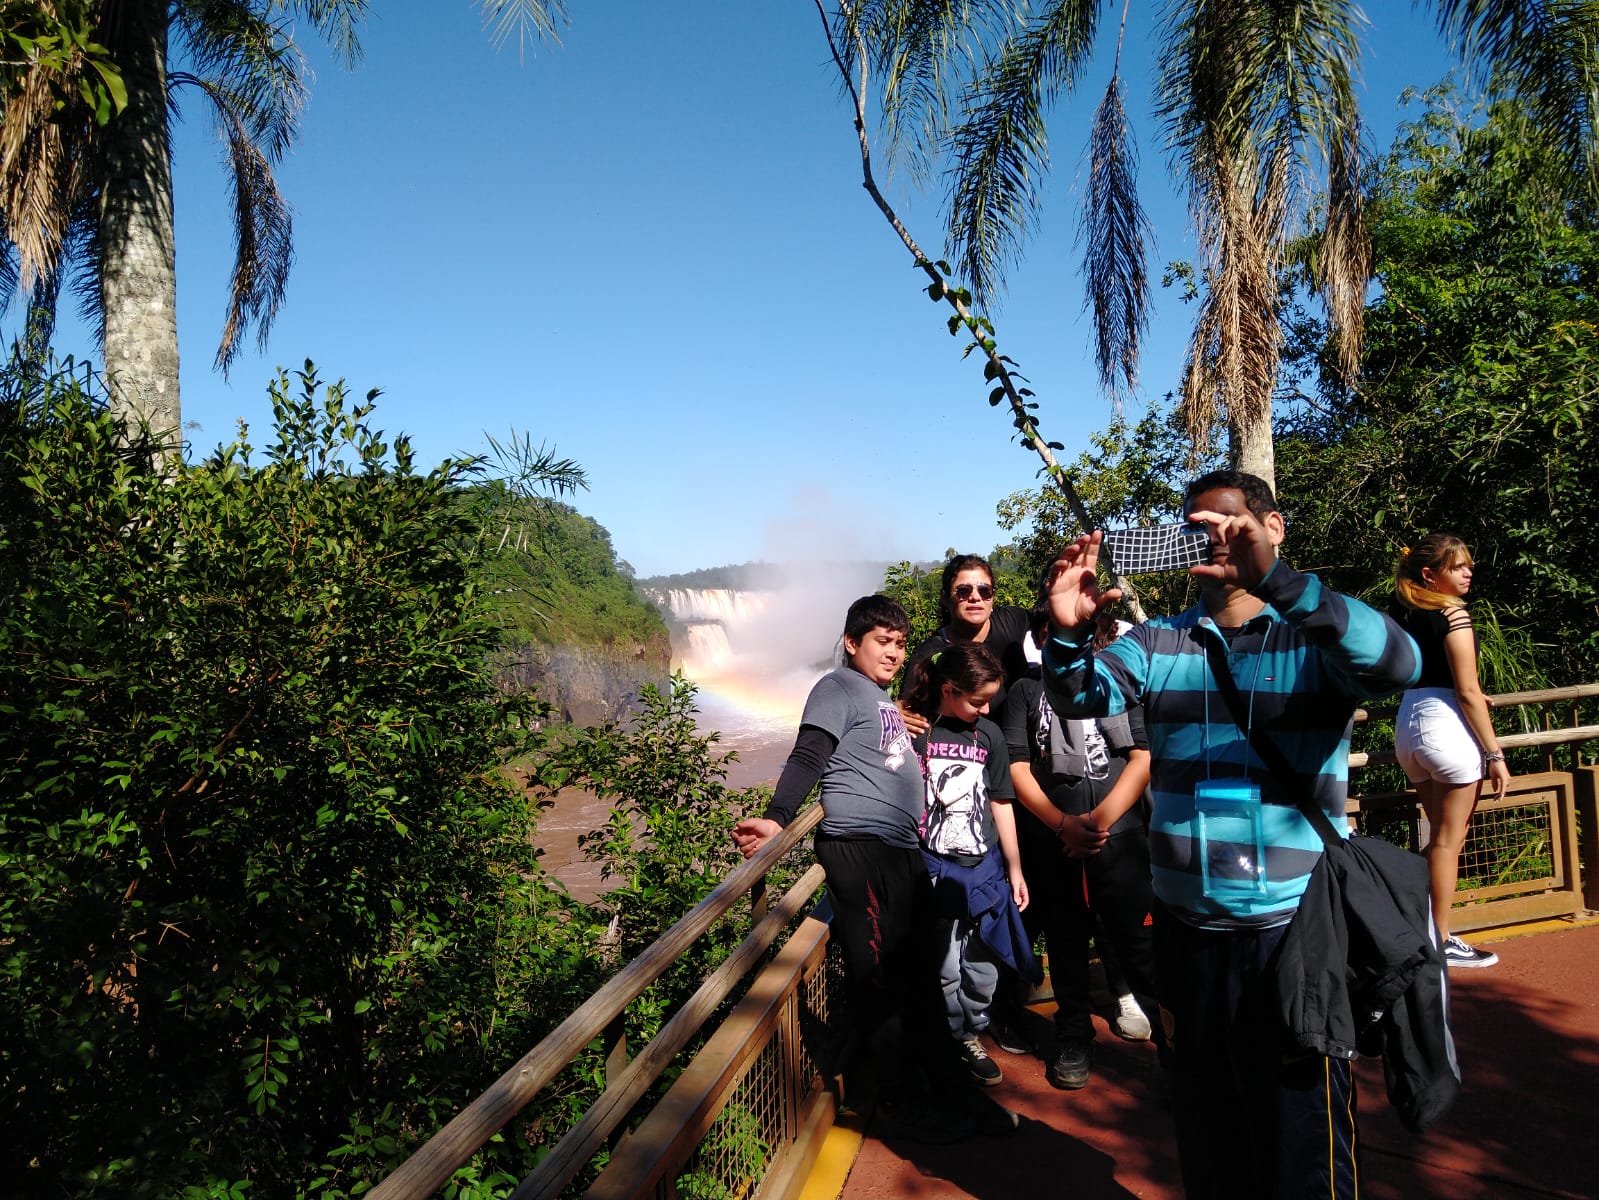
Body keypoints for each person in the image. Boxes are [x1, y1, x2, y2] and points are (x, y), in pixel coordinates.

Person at [1042, 470, 1421, 1200]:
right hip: (1186, 936)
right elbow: (1081, 694)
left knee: (1303, 1141)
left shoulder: (1312, 639)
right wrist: (1066, 631)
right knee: (1207, 1130)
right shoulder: (1159, 641)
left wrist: (1279, 583)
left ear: (1273, 528)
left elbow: (1397, 662)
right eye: (1197, 527)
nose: (1212, 537)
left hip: (1294, 932)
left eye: (1230, 523)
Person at [999, 606, 1158, 1090]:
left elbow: (1141, 757)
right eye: (1055, 632)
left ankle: (1178, 1051)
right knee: (1064, 940)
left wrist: (1099, 821)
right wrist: (1063, 825)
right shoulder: (1025, 691)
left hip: (1121, 836)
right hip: (1054, 841)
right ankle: (1073, 1035)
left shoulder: (1118, 686)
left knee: (1140, 945)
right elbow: (1017, 765)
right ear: (1041, 637)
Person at [900, 642, 1036, 1087]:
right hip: (935, 869)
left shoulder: (989, 735)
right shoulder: (917, 731)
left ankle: (975, 1022)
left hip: (985, 869)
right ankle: (957, 1036)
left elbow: (1001, 801)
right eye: (978, 700)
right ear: (948, 690)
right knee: (945, 964)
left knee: (985, 961)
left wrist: (1015, 868)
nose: (986, 708)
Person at [1391, 533, 1510, 969]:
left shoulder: (1404, 613)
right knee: (1448, 840)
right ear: (1430, 574)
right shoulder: (1452, 613)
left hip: (1409, 723)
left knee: (1441, 837)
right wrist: (1495, 755)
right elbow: (1467, 690)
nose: (1468, 572)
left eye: (1467, 565)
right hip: (1447, 728)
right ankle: (1439, 941)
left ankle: (1416, 925)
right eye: (1457, 566)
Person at [903, 553, 1033, 717]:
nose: (975, 597)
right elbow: (907, 710)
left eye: (984, 590)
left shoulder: (1013, 621)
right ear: (945, 598)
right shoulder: (928, 655)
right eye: (963, 591)